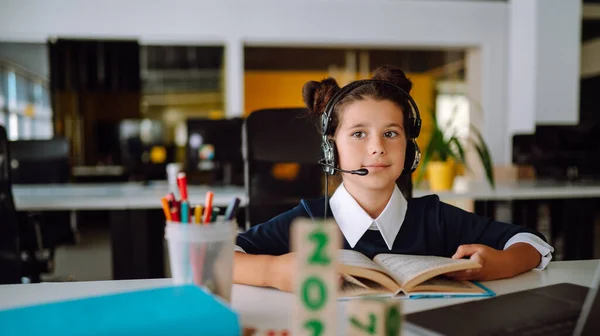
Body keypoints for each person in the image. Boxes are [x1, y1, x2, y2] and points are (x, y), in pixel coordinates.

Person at [233, 65, 553, 292]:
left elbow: (532, 242)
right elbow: (224, 257)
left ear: (409, 148)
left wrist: (501, 264)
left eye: (391, 133)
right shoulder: (307, 221)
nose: (377, 148)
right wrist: (271, 271)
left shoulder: (436, 217)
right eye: (359, 133)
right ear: (331, 150)